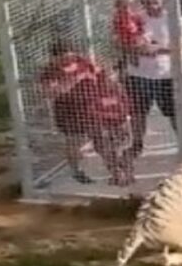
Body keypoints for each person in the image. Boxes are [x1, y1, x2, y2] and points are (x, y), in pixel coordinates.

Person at [38, 40, 133, 186]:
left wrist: (111, 90)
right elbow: (49, 92)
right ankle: (76, 170)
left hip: (91, 109)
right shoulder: (50, 71)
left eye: (70, 58)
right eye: (63, 59)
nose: (68, 61)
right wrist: (73, 81)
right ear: (55, 58)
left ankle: (116, 173)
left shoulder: (84, 62)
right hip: (68, 112)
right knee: (74, 143)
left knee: (102, 141)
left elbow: (103, 76)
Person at [123, 0, 182, 159]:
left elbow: (181, 46)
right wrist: (136, 49)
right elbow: (123, 41)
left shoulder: (175, 20)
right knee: (138, 112)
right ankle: (137, 145)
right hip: (138, 74)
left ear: (162, 1)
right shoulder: (137, 20)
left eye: (155, 2)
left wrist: (158, 49)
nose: (152, 6)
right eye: (147, 3)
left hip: (166, 74)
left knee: (174, 111)